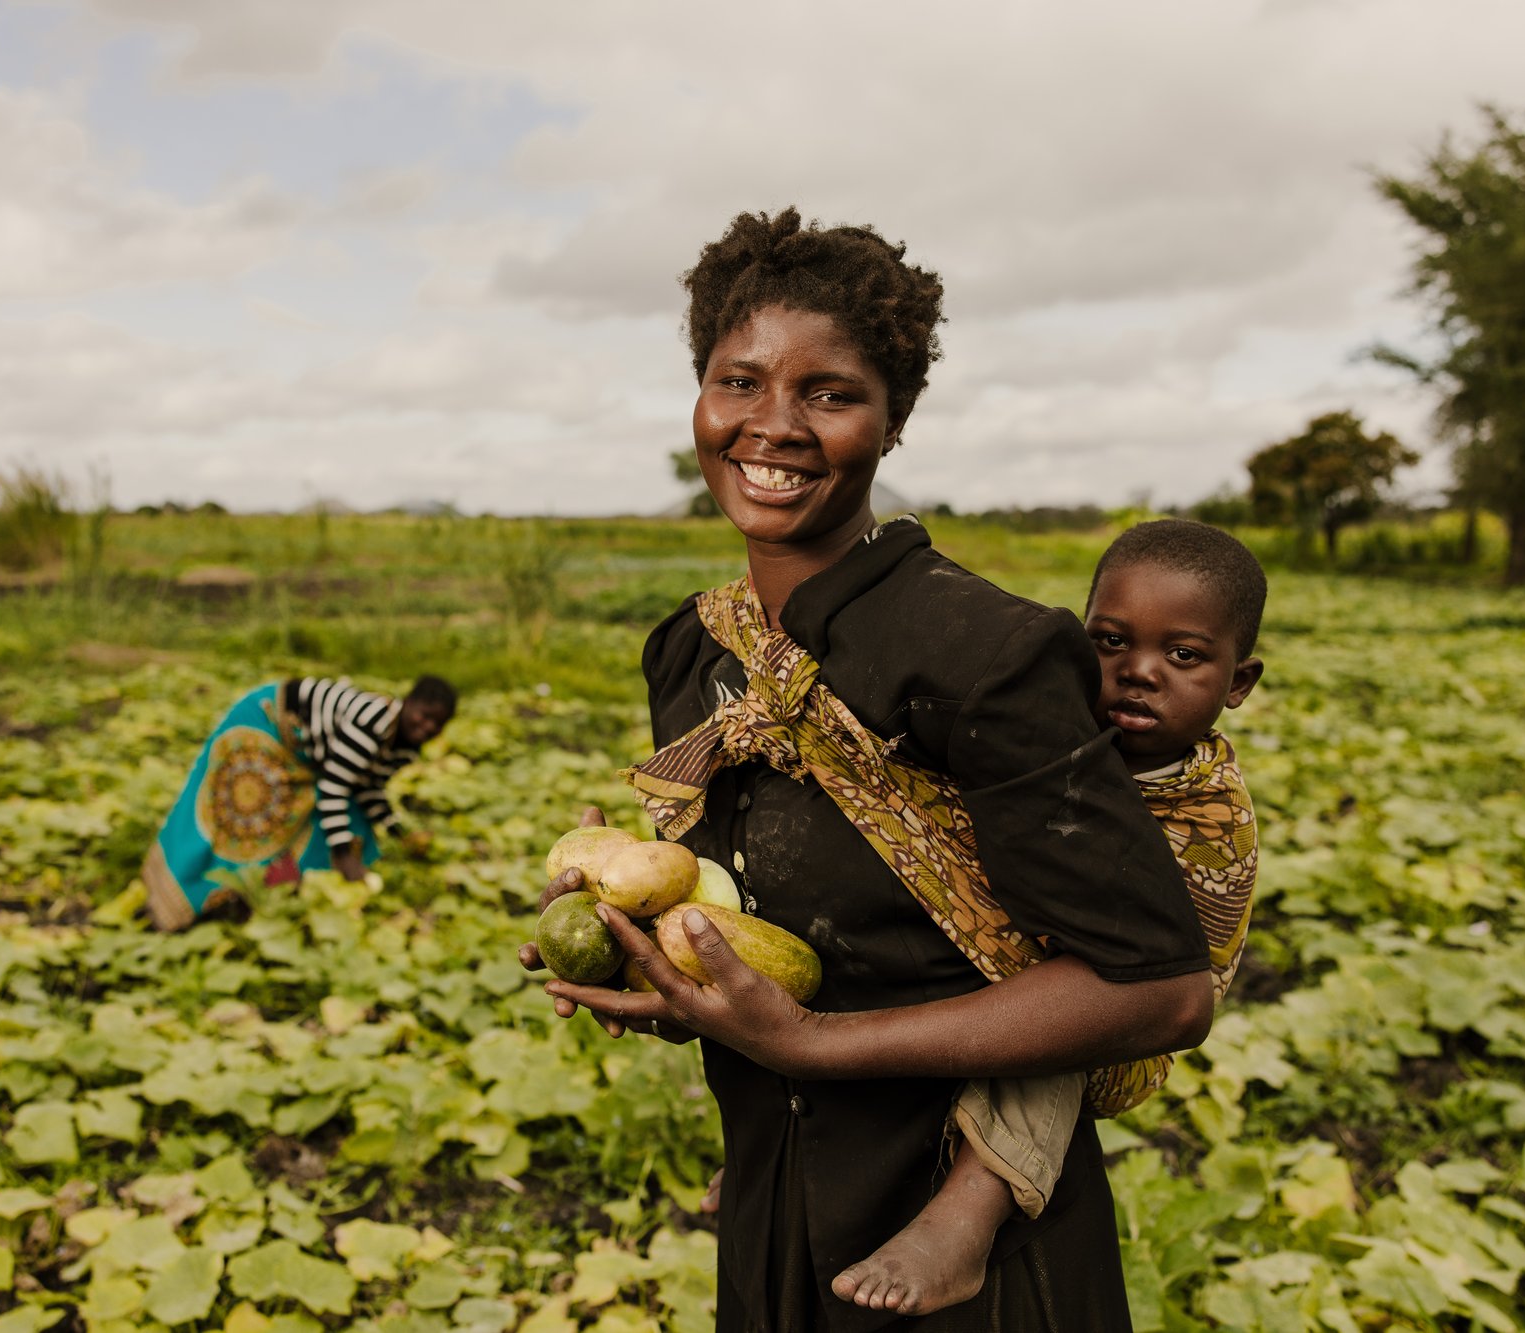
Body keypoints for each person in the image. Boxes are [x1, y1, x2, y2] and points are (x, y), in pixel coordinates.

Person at [523, 208, 1213, 1331]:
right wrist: (660, 970)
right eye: (737, 382)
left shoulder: (979, 651)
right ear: (697, 395)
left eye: (829, 393)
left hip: (964, 1258)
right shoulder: (693, 652)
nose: (772, 425)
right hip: (770, 1207)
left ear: (891, 423)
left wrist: (814, 1045)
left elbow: (1161, 986)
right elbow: (760, 931)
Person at [834, 517, 1267, 1316]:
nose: (1139, 672)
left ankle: (973, 1206)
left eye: (1183, 655)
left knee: (1070, 1006)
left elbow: (1157, 982)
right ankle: (796, 1157)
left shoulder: (1208, 812)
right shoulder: (1042, 742)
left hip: (1121, 1026)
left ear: (1238, 681)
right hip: (1011, 959)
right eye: (1110, 641)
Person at [143, 674, 455, 931]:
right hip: (269, 722)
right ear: (408, 703)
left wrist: (400, 833)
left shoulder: (405, 747)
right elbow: (335, 788)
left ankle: (272, 894)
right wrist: (343, 856)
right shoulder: (374, 722)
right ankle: (185, 894)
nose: (427, 727)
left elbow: (367, 790)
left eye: (437, 724)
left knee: (349, 825)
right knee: (244, 812)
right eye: (424, 716)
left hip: (309, 754)